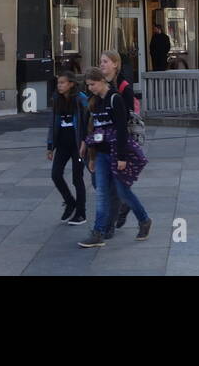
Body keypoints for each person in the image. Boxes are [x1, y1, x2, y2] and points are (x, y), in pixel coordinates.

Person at [78, 67, 151, 248]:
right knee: (102, 192)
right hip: (101, 153)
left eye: (93, 84)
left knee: (122, 191)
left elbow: (121, 130)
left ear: (102, 81)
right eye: (88, 86)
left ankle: (144, 220)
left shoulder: (115, 99)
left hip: (116, 152)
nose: (91, 88)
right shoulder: (94, 102)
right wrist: (91, 155)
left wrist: (121, 157)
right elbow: (94, 130)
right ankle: (98, 232)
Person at [99, 49, 140, 230]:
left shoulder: (124, 87)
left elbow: (128, 119)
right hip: (102, 142)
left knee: (113, 186)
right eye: (101, 61)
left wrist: (123, 150)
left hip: (118, 141)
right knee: (104, 183)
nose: (101, 64)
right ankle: (124, 207)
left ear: (115, 64)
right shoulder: (99, 84)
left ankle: (108, 226)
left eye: (105, 61)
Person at [47, 73, 90, 225]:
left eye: (62, 83)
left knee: (77, 178)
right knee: (55, 174)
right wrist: (50, 146)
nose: (59, 85)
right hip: (62, 145)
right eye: (58, 83)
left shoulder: (81, 99)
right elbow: (53, 123)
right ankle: (70, 202)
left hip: (78, 145)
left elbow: (87, 122)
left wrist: (85, 141)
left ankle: (81, 213)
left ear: (71, 84)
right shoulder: (57, 100)